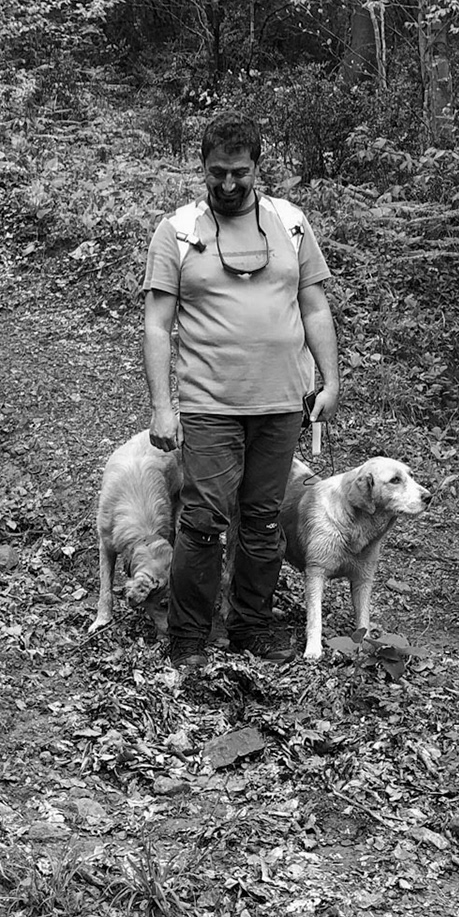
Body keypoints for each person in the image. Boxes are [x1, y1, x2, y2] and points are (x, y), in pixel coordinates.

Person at [142, 113, 340, 662]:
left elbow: (314, 305)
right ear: (202, 168)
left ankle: (251, 626)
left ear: (258, 167)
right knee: (204, 521)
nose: (227, 185)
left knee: (262, 519)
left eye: (239, 173)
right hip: (209, 403)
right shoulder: (178, 231)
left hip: (282, 402)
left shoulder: (290, 223)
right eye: (216, 174)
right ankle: (187, 635)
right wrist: (163, 406)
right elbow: (157, 324)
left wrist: (331, 380)